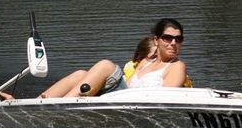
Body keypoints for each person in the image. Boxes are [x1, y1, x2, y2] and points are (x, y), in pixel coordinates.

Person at [39, 18, 188, 98]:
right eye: (168, 38)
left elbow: (165, 98)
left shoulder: (177, 66)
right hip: (123, 99)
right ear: (157, 40)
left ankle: (64, 105)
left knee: (106, 65)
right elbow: (128, 86)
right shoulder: (145, 62)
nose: (173, 43)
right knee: (80, 75)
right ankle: (37, 103)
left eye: (178, 39)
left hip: (137, 104)